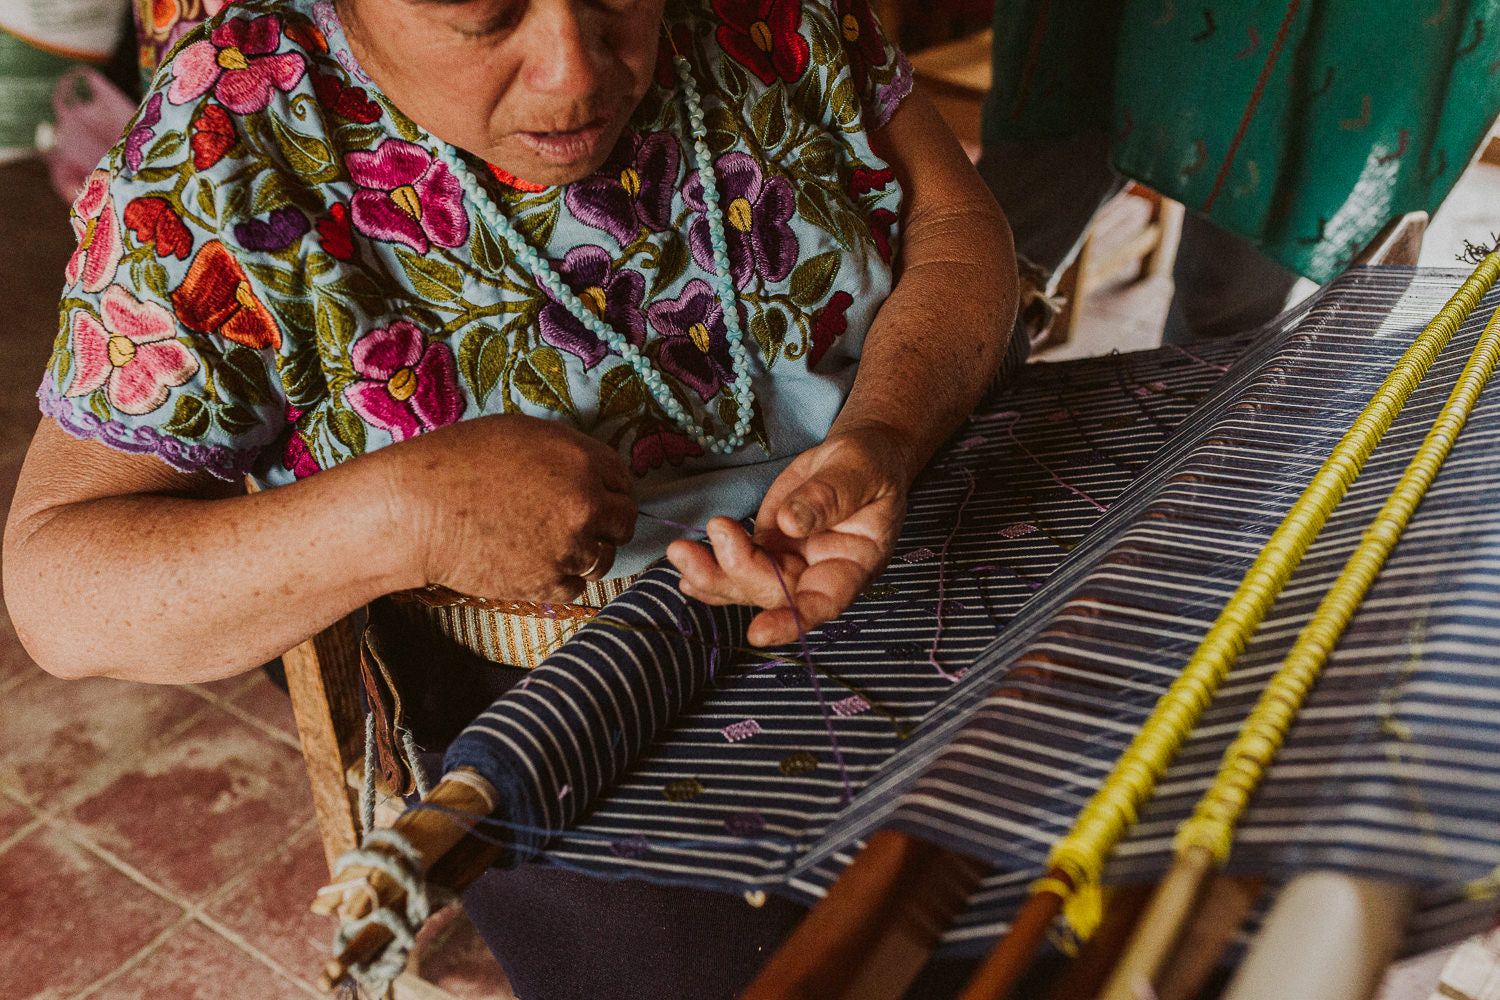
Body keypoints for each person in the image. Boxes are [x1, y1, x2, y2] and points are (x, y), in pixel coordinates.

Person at [1, 0, 1018, 996]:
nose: (574, 68)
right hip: (572, 700)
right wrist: (404, 517)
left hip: (900, 544)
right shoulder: (226, 141)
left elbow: (953, 225)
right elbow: (60, 589)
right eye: (483, 16)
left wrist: (884, 433)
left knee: (1060, 878)